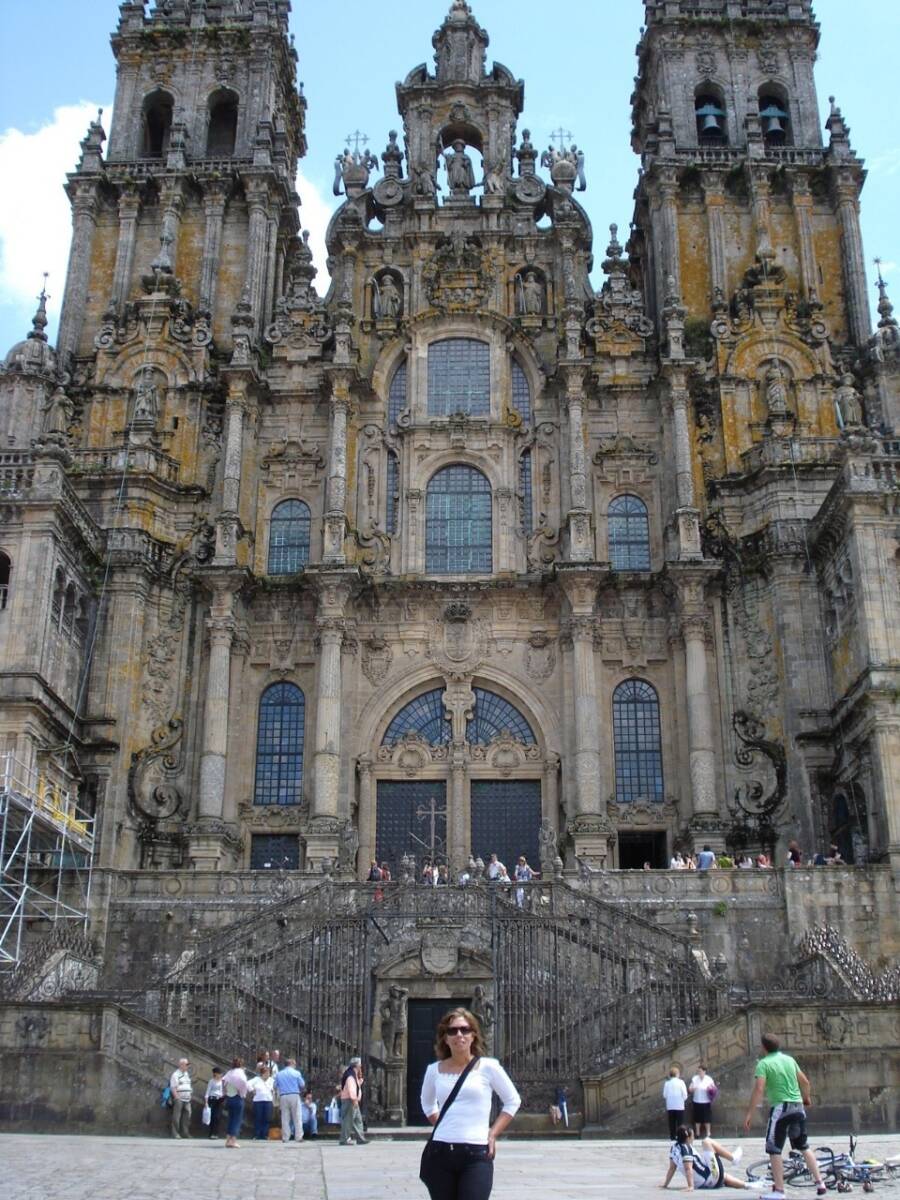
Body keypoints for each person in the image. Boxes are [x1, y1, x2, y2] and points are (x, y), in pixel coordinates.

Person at [420, 1006, 521, 1200]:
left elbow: (512, 1101)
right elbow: (427, 1104)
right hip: (440, 1151)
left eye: (465, 1029)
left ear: (473, 1035)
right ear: (445, 1038)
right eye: (452, 1031)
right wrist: (443, 1125)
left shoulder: (489, 1067)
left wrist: (493, 1133)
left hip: (476, 1152)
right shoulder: (433, 1070)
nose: (459, 1034)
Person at [743, 1033, 827, 1200]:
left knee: (773, 1149)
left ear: (764, 1047)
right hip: (798, 1106)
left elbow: (759, 1089)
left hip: (781, 1108)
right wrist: (807, 1098)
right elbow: (806, 1082)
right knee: (803, 1146)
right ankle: (820, 1184)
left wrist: (750, 1113)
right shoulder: (789, 1060)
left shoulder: (764, 1063)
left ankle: (779, 1191)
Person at [663, 1125, 763, 1191]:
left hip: (704, 1182)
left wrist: (665, 1185)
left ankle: (746, 1185)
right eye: (693, 1136)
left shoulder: (674, 1148)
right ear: (688, 1138)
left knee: (723, 1176)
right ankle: (733, 1158)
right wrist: (690, 1186)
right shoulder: (686, 1148)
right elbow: (688, 1168)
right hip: (710, 1178)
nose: (693, 1138)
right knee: (706, 1141)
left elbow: (672, 1168)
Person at [275, 1055, 305, 1143]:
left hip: (283, 1096)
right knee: (297, 1116)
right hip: (294, 1095)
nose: (295, 1065)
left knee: (285, 1117)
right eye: (294, 1064)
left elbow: (274, 1085)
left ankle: (285, 1137)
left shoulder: (279, 1074)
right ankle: (298, 1137)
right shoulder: (296, 1073)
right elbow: (302, 1084)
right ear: (291, 1064)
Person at [340, 1056, 368, 1145]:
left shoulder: (353, 1074)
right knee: (348, 1120)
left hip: (352, 1100)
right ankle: (344, 1139)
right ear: (356, 1065)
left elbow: (355, 1086)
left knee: (357, 1120)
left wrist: (360, 1080)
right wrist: (354, 1100)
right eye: (360, 1064)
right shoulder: (350, 1076)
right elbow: (351, 1088)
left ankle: (360, 1138)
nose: (361, 1066)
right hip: (350, 1100)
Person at [222, 1057, 248, 1149]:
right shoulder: (240, 1073)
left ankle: (228, 1139)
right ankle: (233, 1140)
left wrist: (225, 1093)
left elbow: (224, 1082)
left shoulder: (229, 1073)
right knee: (237, 1119)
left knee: (231, 1118)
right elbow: (244, 1084)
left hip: (229, 1097)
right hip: (237, 1097)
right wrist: (242, 1092)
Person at [247, 1064, 275, 1140]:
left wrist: (273, 1092)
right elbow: (247, 1084)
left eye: (269, 1073)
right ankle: (256, 1134)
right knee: (258, 1118)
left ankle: (265, 1134)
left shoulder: (271, 1080)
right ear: (262, 1073)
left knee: (266, 1118)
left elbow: (275, 1087)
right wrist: (252, 1090)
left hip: (268, 1101)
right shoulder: (256, 1079)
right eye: (267, 1073)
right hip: (258, 1101)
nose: (268, 1074)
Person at [689, 1064, 716, 1137]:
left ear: (704, 1071)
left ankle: (708, 1133)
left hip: (706, 1101)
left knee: (707, 1118)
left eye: (700, 1071)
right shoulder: (695, 1078)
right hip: (697, 1101)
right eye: (698, 1071)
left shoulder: (709, 1079)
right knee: (697, 1118)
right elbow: (690, 1089)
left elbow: (714, 1089)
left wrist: (709, 1089)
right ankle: (697, 1133)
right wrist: (693, 1088)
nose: (699, 1072)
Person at [169, 1057, 193, 1139]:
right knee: (176, 1116)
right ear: (181, 1065)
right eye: (186, 1065)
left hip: (187, 1099)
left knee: (187, 1116)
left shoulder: (186, 1074)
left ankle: (185, 1133)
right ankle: (175, 1133)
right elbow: (173, 1087)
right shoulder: (175, 1074)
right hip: (179, 1098)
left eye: (188, 1065)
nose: (188, 1066)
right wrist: (177, 1097)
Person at [663, 1066, 689, 1140]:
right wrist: (683, 1099)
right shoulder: (681, 1082)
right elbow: (685, 1094)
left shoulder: (667, 1083)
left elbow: (664, 1095)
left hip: (670, 1105)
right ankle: (680, 1136)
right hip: (679, 1105)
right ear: (677, 1074)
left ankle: (672, 1136)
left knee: (672, 1122)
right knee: (680, 1122)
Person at [205, 1066, 224, 1139]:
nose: (220, 1075)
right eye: (219, 1073)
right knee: (212, 1116)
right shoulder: (211, 1081)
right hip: (212, 1099)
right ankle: (211, 1133)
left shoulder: (222, 1081)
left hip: (219, 1099)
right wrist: (206, 1101)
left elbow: (223, 1090)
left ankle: (216, 1133)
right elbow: (208, 1091)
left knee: (218, 1117)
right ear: (215, 1074)